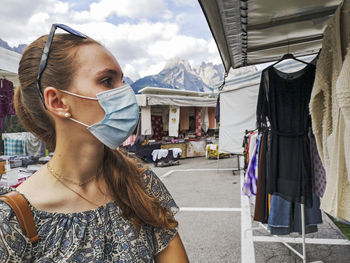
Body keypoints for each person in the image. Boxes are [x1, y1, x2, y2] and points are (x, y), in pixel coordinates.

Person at [0, 24, 189, 262]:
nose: (126, 93)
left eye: (122, 80)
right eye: (108, 81)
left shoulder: (141, 184)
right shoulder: (12, 220)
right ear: (58, 101)